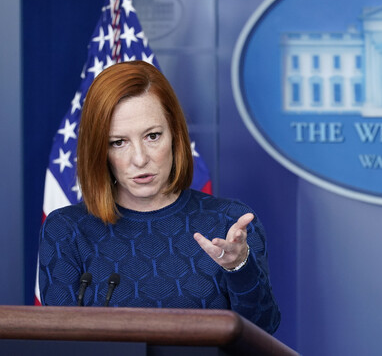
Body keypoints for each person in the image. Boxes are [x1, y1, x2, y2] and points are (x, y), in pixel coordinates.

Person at [38, 61, 280, 334]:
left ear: (175, 135)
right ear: (99, 150)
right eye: (118, 142)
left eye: (152, 136)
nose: (140, 159)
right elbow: (57, 341)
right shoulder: (67, 230)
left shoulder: (228, 222)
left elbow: (263, 329)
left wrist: (239, 267)